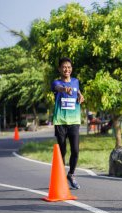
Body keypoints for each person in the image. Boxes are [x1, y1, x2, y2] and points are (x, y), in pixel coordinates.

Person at [51, 57, 84, 189]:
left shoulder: (76, 81)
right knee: (62, 151)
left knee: (75, 150)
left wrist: (81, 96)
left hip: (74, 121)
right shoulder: (56, 83)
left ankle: (71, 174)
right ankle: (60, 177)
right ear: (59, 69)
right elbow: (58, 88)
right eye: (64, 67)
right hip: (60, 121)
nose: (67, 69)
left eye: (69, 67)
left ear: (71, 69)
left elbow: (78, 92)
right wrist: (65, 90)